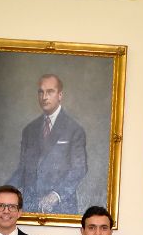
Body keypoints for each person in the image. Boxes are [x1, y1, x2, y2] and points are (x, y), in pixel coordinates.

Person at [8, 73, 88, 214]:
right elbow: (22, 171)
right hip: (30, 208)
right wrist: (2, 193)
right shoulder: (29, 130)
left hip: (61, 209)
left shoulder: (75, 130)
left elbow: (79, 170)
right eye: (41, 92)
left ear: (60, 95)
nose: (44, 97)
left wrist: (55, 195)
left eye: (50, 92)